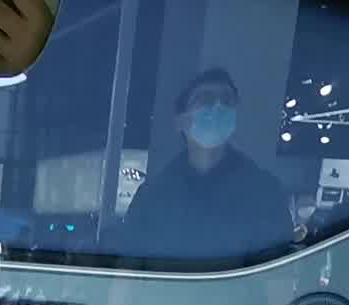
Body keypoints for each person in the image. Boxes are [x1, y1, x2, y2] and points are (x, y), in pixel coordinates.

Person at [116, 67, 293, 269]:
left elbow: (279, 272)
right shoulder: (152, 196)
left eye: (227, 100)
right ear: (181, 121)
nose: (218, 107)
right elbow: (129, 270)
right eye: (206, 100)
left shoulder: (263, 192)